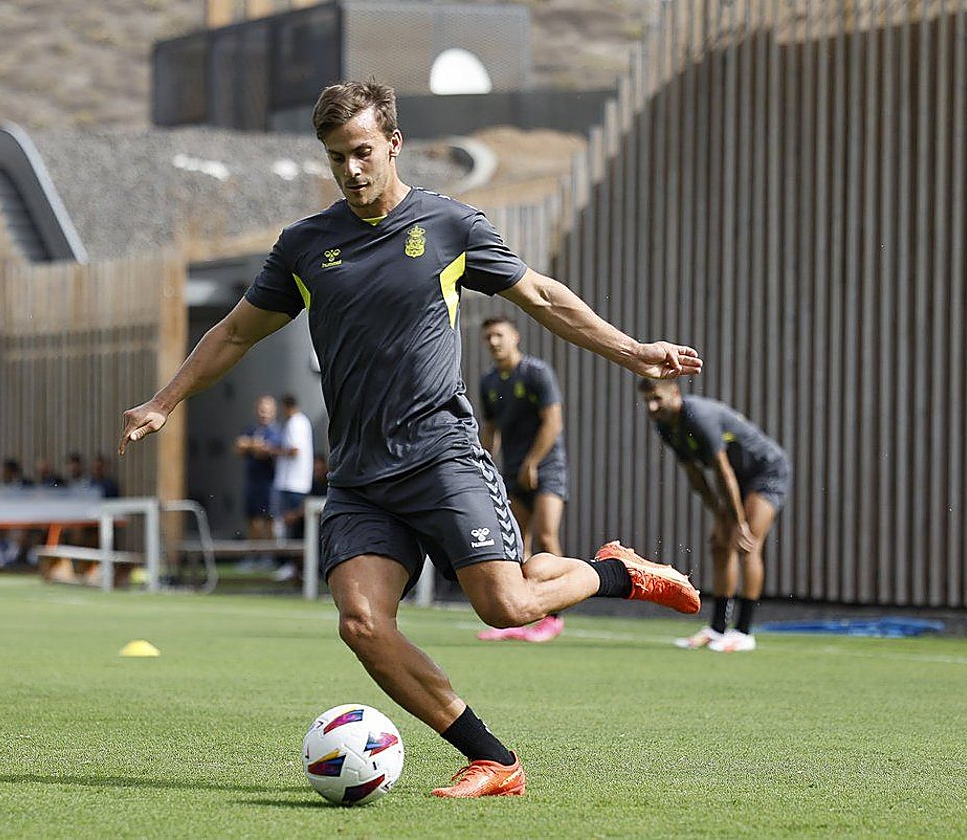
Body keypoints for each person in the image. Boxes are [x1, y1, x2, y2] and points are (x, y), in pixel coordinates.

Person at [120, 81, 703, 798]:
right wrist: (164, 401)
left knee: (507, 606)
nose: (352, 170)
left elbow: (543, 297)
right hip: (363, 476)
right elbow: (236, 330)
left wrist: (632, 350)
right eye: (337, 158)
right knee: (362, 624)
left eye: (363, 151)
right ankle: (494, 760)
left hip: (441, 455)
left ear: (393, 143)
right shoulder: (305, 247)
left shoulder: (451, 226)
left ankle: (617, 571)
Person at [636, 379, 791, 653]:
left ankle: (743, 632)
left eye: (657, 398)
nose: (652, 406)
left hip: (766, 472)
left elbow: (723, 471)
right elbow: (695, 476)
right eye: (647, 400)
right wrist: (720, 513)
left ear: (675, 393)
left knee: (747, 543)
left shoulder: (698, 417)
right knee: (719, 545)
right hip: (737, 480)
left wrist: (739, 522)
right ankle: (717, 628)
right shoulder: (664, 426)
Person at [475, 316, 570, 643]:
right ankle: (522, 614)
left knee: (546, 536)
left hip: (547, 468)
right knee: (516, 545)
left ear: (515, 337)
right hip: (513, 471)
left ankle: (554, 616)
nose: (494, 341)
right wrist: (482, 466)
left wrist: (533, 462)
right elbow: (490, 429)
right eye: (488, 337)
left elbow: (553, 423)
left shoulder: (536, 373)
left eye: (499, 335)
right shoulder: (489, 382)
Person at [272, 394, 315, 582]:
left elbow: (294, 450)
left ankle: (294, 568)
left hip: (294, 484)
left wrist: (270, 450)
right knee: (291, 528)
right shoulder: (299, 422)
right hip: (294, 483)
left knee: (293, 528)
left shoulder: (296, 423)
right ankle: (295, 568)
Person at [235, 395, 283, 561]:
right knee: (252, 519)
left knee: (269, 519)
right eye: (261, 409)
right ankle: (253, 557)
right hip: (252, 482)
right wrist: (253, 445)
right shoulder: (251, 429)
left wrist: (253, 446)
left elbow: (265, 451)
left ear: (274, 411)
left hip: (269, 483)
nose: (263, 413)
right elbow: (239, 447)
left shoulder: (276, 431)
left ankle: (269, 558)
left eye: (267, 410)